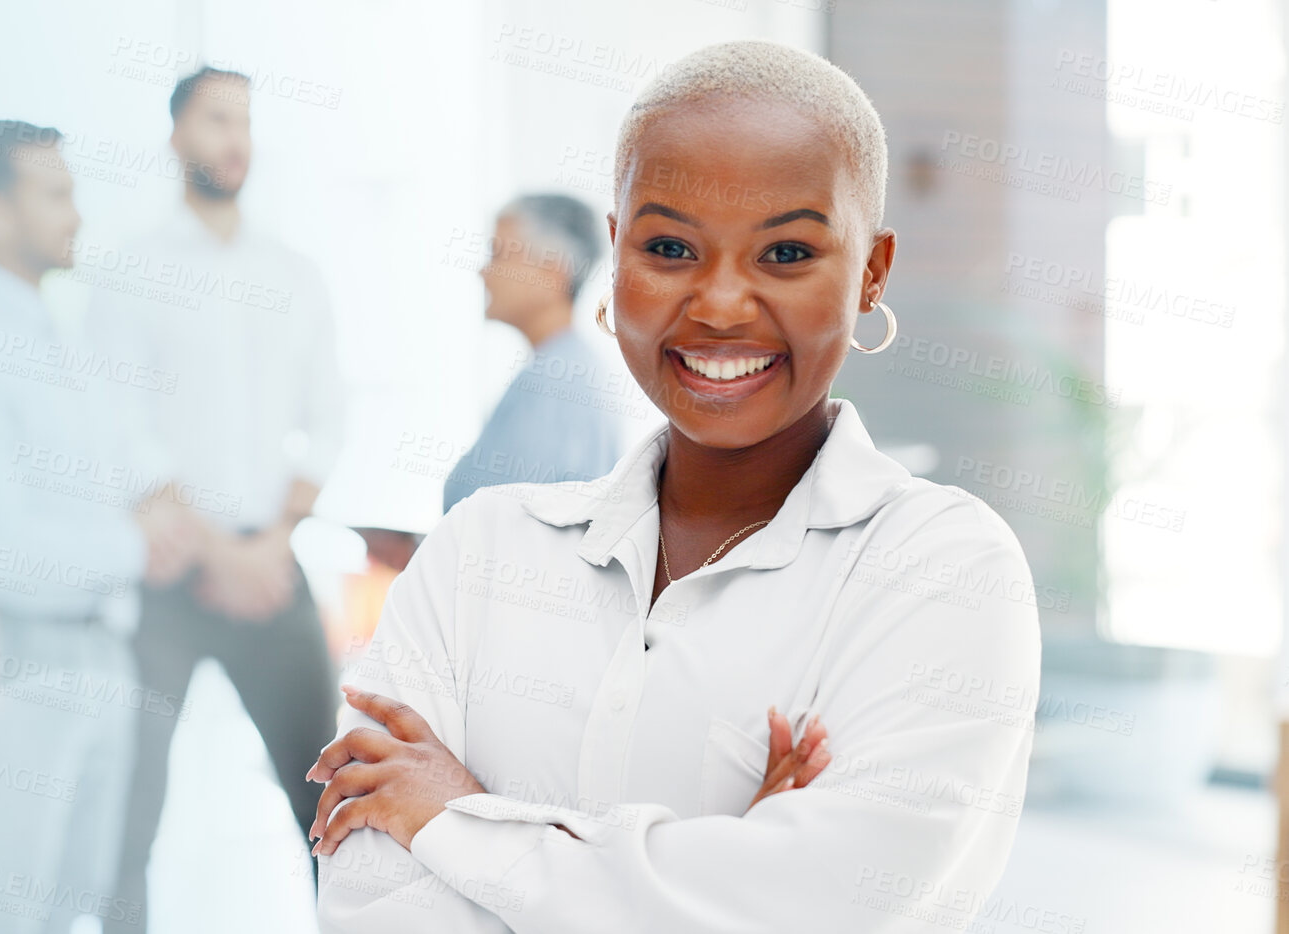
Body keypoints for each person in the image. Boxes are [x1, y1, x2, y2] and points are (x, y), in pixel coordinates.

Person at [308, 40, 1040, 931]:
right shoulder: (478, 551)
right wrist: (716, 865)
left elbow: (827, 909)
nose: (723, 303)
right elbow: (372, 899)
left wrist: (459, 823)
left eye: (786, 253)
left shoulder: (942, 568)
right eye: (669, 245)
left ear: (871, 273)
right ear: (616, 258)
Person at [0, 119, 201, 934]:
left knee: (70, 902)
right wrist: (139, 545)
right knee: (3, 908)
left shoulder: (55, 336)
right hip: (18, 661)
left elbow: (117, 472)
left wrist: (151, 514)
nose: (76, 215)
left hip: (97, 653)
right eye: (56, 196)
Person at [89, 66, 346, 933]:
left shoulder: (295, 272)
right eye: (213, 120)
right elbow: (121, 430)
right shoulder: (129, 271)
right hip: (169, 577)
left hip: (272, 562)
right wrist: (215, 553)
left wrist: (269, 542)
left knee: (331, 802)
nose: (233, 139)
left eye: (243, 121)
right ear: (174, 137)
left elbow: (328, 422)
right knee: (127, 813)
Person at [442, 193, 625, 513]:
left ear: (553, 272)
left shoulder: (560, 381)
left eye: (498, 254)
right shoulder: (560, 369)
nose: (483, 272)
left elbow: (504, 524)